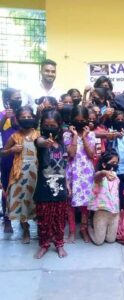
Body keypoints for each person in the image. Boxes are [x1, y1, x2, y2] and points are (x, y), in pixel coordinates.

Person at [33, 110, 68, 259]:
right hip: (44, 188)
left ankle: (59, 244)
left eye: (53, 125)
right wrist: (45, 142)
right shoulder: (39, 140)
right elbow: (39, 142)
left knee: (59, 219)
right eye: (46, 125)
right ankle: (44, 245)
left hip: (60, 188)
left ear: (59, 126)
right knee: (43, 220)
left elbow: (65, 166)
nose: (49, 128)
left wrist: (68, 186)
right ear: (42, 126)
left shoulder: (62, 143)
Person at [2, 106, 39, 243]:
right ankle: (26, 229)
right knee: (22, 201)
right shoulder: (14, 136)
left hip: (35, 175)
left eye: (29, 117)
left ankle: (41, 227)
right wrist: (11, 149)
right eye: (24, 117)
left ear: (34, 118)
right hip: (19, 175)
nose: (27, 119)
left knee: (35, 201)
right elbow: (3, 152)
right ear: (17, 119)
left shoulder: (38, 135)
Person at [63, 106, 96, 243]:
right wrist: (76, 136)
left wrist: (85, 138)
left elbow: (91, 154)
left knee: (85, 204)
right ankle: (71, 231)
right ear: (72, 121)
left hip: (87, 173)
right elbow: (70, 155)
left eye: (83, 120)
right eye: (77, 120)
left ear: (87, 121)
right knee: (70, 203)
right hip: (72, 171)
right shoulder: (66, 135)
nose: (80, 122)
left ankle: (83, 229)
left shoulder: (92, 135)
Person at [0, 88, 21, 232]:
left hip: (22, 155)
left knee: (23, 187)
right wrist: (4, 119)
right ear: (7, 100)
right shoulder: (2, 115)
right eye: (16, 97)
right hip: (7, 156)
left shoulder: (22, 114)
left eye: (20, 97)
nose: (18, 100)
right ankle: (7, 219)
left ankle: (22, 218)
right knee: (7, 187)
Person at [88, 150, 120, 245]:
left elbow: (116, 196)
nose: (115, 165)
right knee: (99, 242)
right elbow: (98, 175)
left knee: (111, 240)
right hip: (101, 212)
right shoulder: (99, 177)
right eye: (113, 162)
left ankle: (103, 230)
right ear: (104, 164)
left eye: (117, 163)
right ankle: (89, 228)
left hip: (114, 214)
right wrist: (104, 172)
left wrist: (119, 212)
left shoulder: (116, 177)